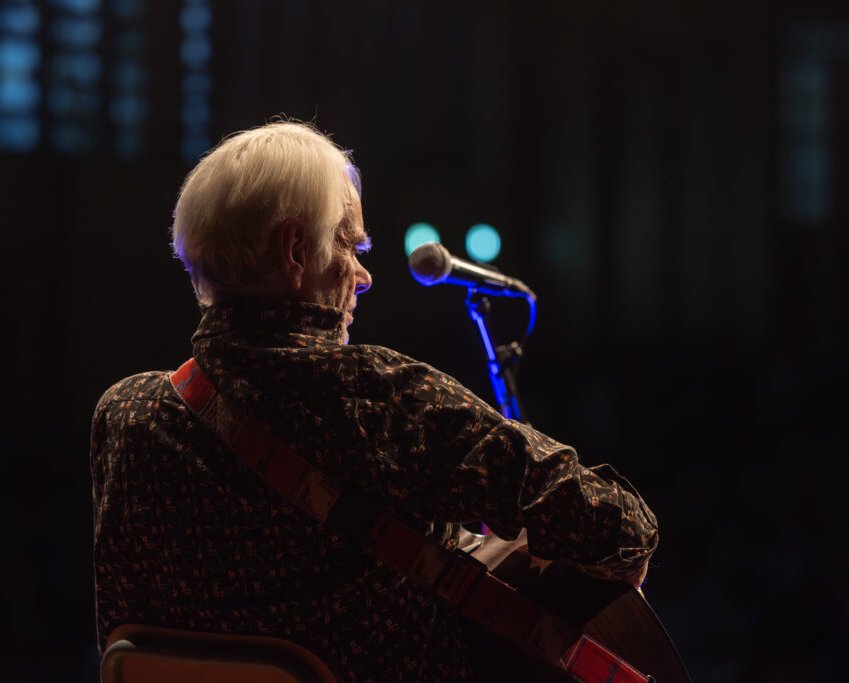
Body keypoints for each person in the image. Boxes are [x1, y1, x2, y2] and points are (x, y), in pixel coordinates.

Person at [90, 121, 658, 681]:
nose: (363, 276)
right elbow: (620, 527)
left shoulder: (125, 415)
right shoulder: (376, 395)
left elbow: (123, 631)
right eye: (351, 244)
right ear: (295, 249)